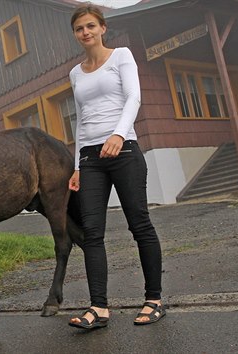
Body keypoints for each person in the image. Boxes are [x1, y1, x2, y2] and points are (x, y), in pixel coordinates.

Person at [67, 4, 165, 331]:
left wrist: (119, 134)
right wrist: (78, 165)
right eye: (80, 28)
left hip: (124, 151)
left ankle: (154, 300)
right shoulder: (76, 73)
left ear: (102, 28)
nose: (86, 32)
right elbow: (80, 121)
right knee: (92, 232)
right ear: (76, 34)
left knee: (139, 224)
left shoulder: (121, 55)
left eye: (91, 26)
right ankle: (99, 308)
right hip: (91, 159)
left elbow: (133, 98)